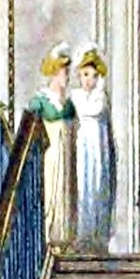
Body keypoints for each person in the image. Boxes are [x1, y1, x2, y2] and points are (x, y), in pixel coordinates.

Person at [27, 45, 82, 246]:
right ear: (54, 74)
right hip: (48, 156)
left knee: (65, 194)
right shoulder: (40, 101)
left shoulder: (68, 104)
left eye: (66, 72)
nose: (66, 77)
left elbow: (75, 128)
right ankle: (47, 238)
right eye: (63, 73)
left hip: (66, 156)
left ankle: (64, 237)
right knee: (49, 193)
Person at [69, 48, 116, 254]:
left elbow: (95, 111)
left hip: (98, 146)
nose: (90, 80)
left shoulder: (100, 97)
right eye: (86, 75)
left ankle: (98, 235)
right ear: (79, 75)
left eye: (94, 76)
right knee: (82, 187)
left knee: (98, 186)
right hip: (82, 143)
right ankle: (83, 234)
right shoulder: (76, 95)